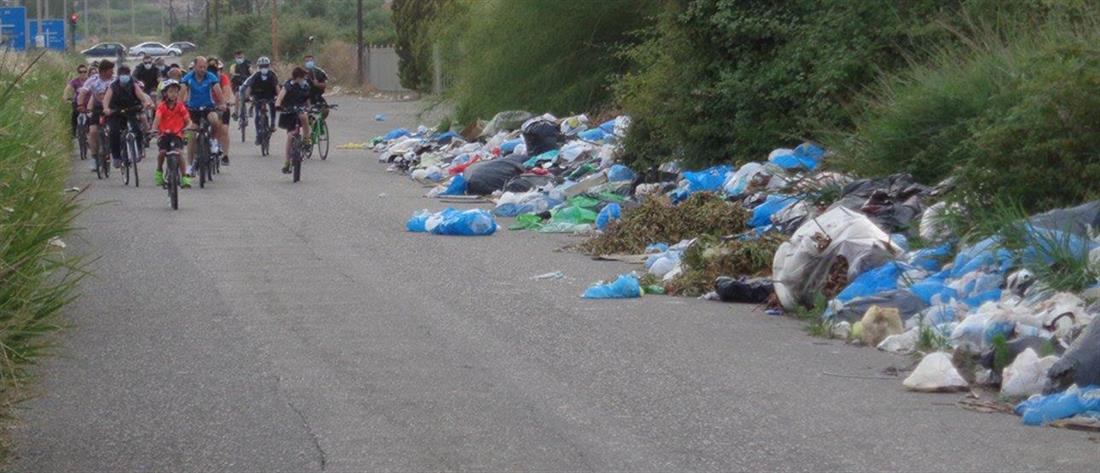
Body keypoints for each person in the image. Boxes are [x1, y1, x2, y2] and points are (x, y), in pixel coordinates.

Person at [101, 65, 155, 168]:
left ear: (129, 75)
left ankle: (138, 150)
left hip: (131, 110)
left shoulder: (133, 84)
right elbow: (106, 100)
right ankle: (116, 157)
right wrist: (106, 109)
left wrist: (146, 103)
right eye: (122, 74)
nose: (124, 76)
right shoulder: (113, 86)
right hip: (115, 112)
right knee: (114, 132)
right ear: (118, 75)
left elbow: (141, 96)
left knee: (137, 129)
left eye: (126, 74)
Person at [180, 56, 226, 176]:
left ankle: (213, 141)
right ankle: (190, 166)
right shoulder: (188, 77)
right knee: (192, 135)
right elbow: (182, 92)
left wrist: (222, 103)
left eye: (204, 67)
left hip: (208, 108)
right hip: (193, 109)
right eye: (200, 67)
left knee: (215, 120)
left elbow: (218, 90)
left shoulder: (211, 77)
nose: (203, 69)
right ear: (194, 67)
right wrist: (179, 106)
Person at [152, 80, 192, 188]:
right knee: (162, 153)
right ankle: (159, 172)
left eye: (175, 91)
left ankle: (184, 177)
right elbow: (157, 119)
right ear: (165, 93)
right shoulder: (162, 107)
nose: (173, 94)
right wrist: (154, 130)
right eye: (170, 91)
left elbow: (188, 120)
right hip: (164, 135)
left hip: (177, 134)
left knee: (179, 153)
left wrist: (187, 127)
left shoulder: (180, 106)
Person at [77, 60, 116, 171]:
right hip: (97, 108)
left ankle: (116, 152)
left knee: (115, 130)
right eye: (110, 70)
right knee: (93, 131)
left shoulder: (114, 80)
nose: (112, 72)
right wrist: (80, 105)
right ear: (103, 71)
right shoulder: (93, 80)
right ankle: (94, 158)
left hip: (111, 107)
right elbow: (83, 93)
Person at [274, 67, 312, 174]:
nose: (304, 79)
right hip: (289, 111)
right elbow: (280, 98)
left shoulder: (305, 86)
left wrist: (309, 107)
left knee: (304, 116)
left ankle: (306, 140)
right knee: (290, 136)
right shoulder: (288, 85)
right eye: (303, 77)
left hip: (300, 109)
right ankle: (287, 162)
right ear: (298, 77)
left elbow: (307, 99)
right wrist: (278, 105)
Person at [241, 56, 280, 144]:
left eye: (265, 66)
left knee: (273, 105)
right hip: (258, 96)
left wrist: (279, 97)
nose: (264, 68)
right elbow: (250, 87)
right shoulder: (256, 75)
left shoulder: (272, 75)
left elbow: (277, 87)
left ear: (268, 66)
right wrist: (247, 97)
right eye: (262, 66)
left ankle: (273, 124)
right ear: (259, 67)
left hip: (270, 95)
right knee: (258, 115)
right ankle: (258, 134)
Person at [208, 57, 235, 165]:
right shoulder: (204, 78)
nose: (216, 72)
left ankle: (225, 155)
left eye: (218, 70)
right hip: (208, 106)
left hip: (221, 106)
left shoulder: (223, 78)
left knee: (223, 129)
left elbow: (227, 92)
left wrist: (224, 103)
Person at [63, 64, 90, 137]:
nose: (83, 74)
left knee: (91, 117)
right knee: (74, 114)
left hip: (88, 102)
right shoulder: (75, 81)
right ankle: (74, 132)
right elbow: (67, 88)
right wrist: (65, 96)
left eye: (84, 71)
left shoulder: (90, 80)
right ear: (78, 73)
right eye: (80, 72)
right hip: (77, 102)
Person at [303, 54, 329, 120]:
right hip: (304, 99)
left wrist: (317, 84)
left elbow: (324, 85)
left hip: (317, 96)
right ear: (304, 63)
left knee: (326, 110)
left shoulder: (320, 72)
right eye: (307, 61)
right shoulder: (300, 73)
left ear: (314, 61)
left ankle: (319, 123)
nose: (309, 63)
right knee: (305, 114)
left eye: (310, 61)